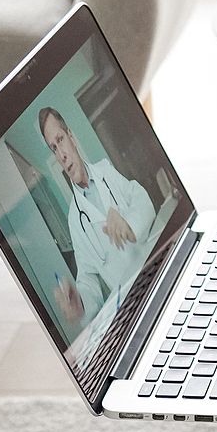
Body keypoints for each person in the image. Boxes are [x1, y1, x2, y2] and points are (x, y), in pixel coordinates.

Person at [38, 106, 158, 323]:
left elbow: (141, 198)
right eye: (53, 148)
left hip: (156, 269)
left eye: (60, 140)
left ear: (72, 137)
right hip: (134, 305)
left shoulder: (106, 171)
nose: (61, 154)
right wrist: (79, 302)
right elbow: (87, 278)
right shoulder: (75, 220)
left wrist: (129, 224)